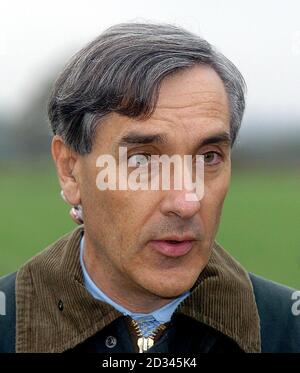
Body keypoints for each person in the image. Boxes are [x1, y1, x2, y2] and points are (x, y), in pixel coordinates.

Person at [0, 22, 299, 353]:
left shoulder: (288, 330)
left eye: (209, 157)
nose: (187, 202)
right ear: (71, 171)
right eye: (143, 161)